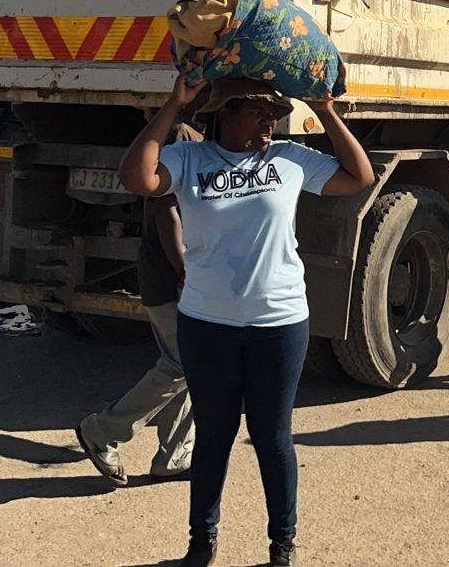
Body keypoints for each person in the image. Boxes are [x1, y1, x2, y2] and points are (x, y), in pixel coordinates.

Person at [120, 76, 373, 567]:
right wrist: (175, 103)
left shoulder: (289, 158)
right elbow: (137, 177)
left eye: (273, 111)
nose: (268, 120)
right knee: (213, 435)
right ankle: (201, 543)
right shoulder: (189, 159)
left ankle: (282, 546)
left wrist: (325, 111)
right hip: (206, 323)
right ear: (226, 112)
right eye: (257, 110)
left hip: (279, 322)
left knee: (272, 436)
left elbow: (358, 177)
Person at [75, 117, 203, 486]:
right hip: (170, 277)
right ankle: (102, 430)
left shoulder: (203, 141)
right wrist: (185, 273)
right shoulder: (182, 137)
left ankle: (174, 457)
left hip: (181, 275)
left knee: (191, 365)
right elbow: (167, 210)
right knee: (184, 362)